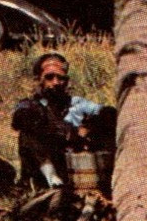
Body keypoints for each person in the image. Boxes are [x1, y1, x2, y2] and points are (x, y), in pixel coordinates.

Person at [10, 52, 115, 190]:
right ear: (39, 80)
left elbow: (109, 114)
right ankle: (53, 181)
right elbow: (22, 119)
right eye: (49, 77)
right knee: (29, 135)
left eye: (61, 78)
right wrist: (70, 132)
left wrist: (90, 128)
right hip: (43, 174)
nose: (56, 82)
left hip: (73, 169)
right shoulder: (28, 105)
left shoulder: (76, 104)